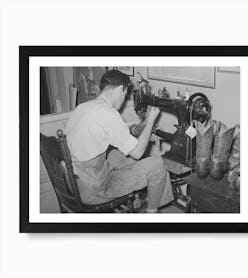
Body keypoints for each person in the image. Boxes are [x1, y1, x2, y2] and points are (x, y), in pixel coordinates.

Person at [64, 70, 174, 212]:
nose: (124, 99)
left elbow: (110, 131)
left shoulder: (84, 107)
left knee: (119, 157)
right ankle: (151, 213)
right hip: (93, 191)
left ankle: (137, 198)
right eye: (125, 94)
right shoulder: (109, 113)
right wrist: (151, 120)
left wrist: (140, 127)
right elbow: (138, 153)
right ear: (121, 88)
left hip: (73, 184)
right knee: (158, 164)